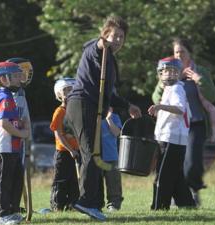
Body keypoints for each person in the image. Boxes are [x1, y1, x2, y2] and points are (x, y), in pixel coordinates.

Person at [65, 15, 141, 221]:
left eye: (121, 37)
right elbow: (96, 46)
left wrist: (128, 106)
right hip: (81, 105)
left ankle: (94, 203)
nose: (117, 40)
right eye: (113, 35)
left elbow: (109, 94)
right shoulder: (96, 49)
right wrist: (102, 43)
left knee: (95, 154)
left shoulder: (111, 60)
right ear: (104, 34)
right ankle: (85, 201)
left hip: (91, 106)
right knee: (91, 153)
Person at [152, 38, 215, 205]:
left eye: (182, 52)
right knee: (175, 163)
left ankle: (194, 190)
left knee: (192, 162)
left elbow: (213, 96)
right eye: (176, 52)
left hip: (195, 123)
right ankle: (181, 197)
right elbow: (155, 98)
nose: (179, 55)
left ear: (189, 53)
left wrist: (199, 80)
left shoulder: (201, 71)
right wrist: (164, 82)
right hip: (175, 127)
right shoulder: (169, 71)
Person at [148, 57, 192, 210]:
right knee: (175, 175)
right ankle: (187, 204)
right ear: (160, 73)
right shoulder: (168, 89)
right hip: (167, 138)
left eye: (174, 71)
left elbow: (180, 109)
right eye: (166, 71)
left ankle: (159, 207)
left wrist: (159, 106)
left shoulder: (177, 88)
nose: (170, 74)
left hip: (173, 139)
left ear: (179, 73)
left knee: (163, 175)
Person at [0, 62, 30, 225]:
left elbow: (13, 121)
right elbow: (5, 124)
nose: (18, 79)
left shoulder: (11, 98)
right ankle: (1, 214)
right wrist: (22, 133)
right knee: (3, 181)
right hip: (4, 147)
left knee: (15, 179)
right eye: (14, 76)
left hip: (14, 147)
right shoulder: (5, 98)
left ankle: (12, 210)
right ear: (3, 78)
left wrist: (21, 124)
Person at [5, 57, 34, 212]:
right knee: (10, 174)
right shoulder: (10, 95)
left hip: (21, 139)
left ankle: (15, 205)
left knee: (18, 173)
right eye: (21, 72)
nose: (25, 75)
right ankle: (9, 205)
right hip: (11, 142)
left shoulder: (21, 93)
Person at [49, 78, 80, 211]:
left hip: (76, 151)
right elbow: (59, 134)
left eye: (71, 89)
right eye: (65, 90)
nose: (68, 92)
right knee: (61, 179)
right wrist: (70, 149)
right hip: (64, 152)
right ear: (59, 94)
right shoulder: (59, 112)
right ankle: (58, 205)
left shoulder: (77, 110)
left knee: (74, 180)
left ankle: (73, 204)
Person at [101, 107, 123, 212]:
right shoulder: (93, 116)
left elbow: (117, 133)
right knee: (96, 183)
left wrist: (109, 119)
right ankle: (97, 204)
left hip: (111, 157)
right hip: (97, 158)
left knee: (113, 182)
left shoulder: (115, 117)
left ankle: (114, 204)